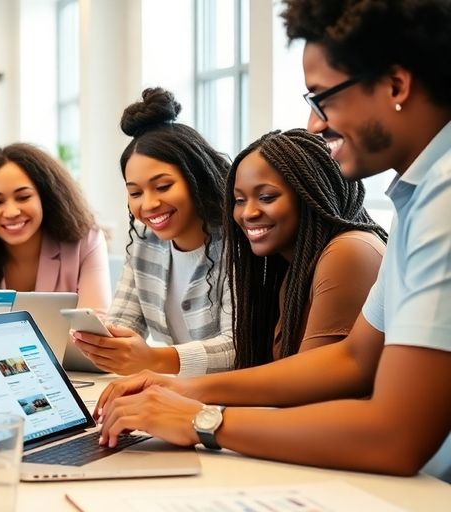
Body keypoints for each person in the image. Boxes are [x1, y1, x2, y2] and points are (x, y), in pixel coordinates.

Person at [96, 0, 451, 479]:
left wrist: (203, 420)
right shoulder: (420, 196)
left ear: (395, 85)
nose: (315, 124)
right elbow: (350, 359)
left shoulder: (442, 201)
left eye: (322, 98)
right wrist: (183, 388)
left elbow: (396, 436)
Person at [71, 88, 234, 376]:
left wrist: (154, 359)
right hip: (182, 392)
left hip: (236, 401)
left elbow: (237, 347)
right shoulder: (146, 241)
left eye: (163, 187)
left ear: (197, 178)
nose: (148, 205)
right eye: (135, 192)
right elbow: (124, 322)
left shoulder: (238, 245)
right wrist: (102, 342)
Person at [227, 128, 386, 368]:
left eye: (267, 197)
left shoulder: (349, 250)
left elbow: (312, 384)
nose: (248, 212)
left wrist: (195, 395)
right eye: (239, 200)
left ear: (312, 194)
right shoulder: (295, 271)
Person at [0, 144, 110, 314]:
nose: (12, 212)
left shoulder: (87, 240)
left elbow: (95, 323)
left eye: (23, 197)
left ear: (46, 197)